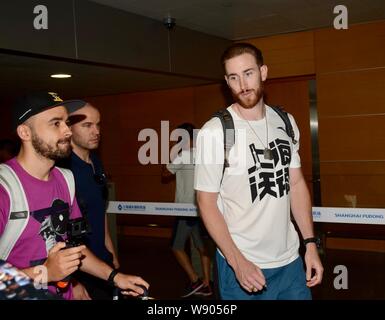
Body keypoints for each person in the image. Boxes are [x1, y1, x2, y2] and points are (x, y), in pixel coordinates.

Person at [194, 43, 323, 300]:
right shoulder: (215, 132)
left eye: (248, 73)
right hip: (243, 265)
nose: (242, 83)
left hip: (289, 262)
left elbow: (295, 184)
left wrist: (309, 244)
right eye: (233, 77)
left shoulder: (285, 122)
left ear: (263, 72)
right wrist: (236, 261)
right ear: (226, 82)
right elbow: (205, 203)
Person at [0, 91, 149, 300]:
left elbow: (72, 247)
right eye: (55, 123)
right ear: (25, 132)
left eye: (67, 122)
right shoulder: (4, 187)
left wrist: (114, 276)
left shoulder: (65, 179)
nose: (67, 131)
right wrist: (45, 273)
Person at [60, 102, 120, 300]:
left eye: (98, 125)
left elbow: (99, 212)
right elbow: (57, 232)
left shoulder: (96, 162)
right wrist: (72, 281)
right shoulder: (61, 170)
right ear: (68, 128)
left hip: (102, 264)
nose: (96, 131)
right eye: (87, 126)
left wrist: (111, 254)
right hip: (77, 269)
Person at [163, 123, 212, 298]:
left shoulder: (182, 155)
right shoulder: (205, 155)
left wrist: (172, 151)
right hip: (202, 208)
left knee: (176, 246)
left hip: (184, 209)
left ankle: (195, 281)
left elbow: (165, 173)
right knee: (202, 248)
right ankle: (207, 283)